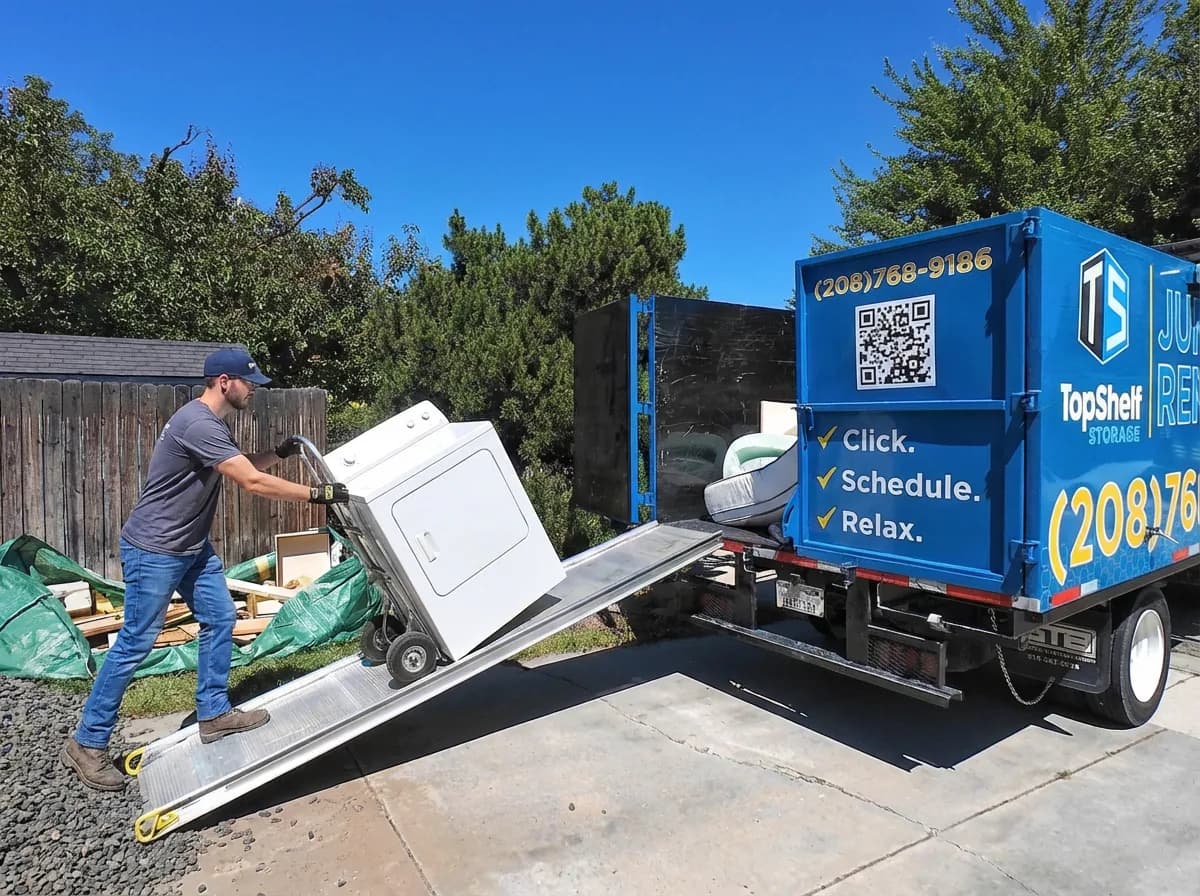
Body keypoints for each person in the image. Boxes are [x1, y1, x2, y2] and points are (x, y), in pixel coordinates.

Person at [62, 347, 350, 791]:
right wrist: (316, 495)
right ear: (223, 382)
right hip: (155, 549)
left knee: (220, 616)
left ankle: (213, 713)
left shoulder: (209, 425)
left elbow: (243, 466)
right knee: (136, 642)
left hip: (189, 548)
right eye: (248, 382)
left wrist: (278, 452)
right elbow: (250, 482)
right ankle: (87, 741)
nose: (253, 389)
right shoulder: (198, 423)